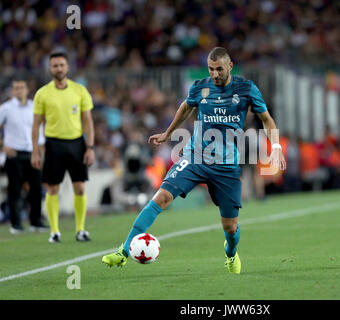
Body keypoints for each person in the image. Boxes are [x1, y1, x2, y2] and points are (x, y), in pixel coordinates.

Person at [102, 47, 286, 273]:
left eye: (219, 69)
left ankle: (230, 253)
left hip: (226, 167)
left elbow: (266, 119)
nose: (215, 74)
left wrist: (275, 147)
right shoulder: (200, 87)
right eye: (211, 69)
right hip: (195, 157)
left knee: (230, 227)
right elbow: (185, 107)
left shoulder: (246, 89)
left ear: (230, 66)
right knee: (162, 197)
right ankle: (123, 252)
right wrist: (168, 133)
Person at [31, 52, 95, 243]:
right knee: (52, 188)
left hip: (77, 143)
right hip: (53, 144)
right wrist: (35, 150)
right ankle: (54, 231)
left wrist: (90, 147)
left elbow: (88, 121)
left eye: (61, 65)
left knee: (80, 187)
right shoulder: (42, 93)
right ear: (50, 69)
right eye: (55, 66)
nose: (58, 68)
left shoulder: (79, 90)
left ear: (67, 67)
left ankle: (81, 229)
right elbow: (36, 124)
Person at [0, 79, 47, 234]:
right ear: (13, 91)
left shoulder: (34, 107)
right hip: (14, 153)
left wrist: (40, 147)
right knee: (15, 190)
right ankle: (16, 224)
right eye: (16, 88)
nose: (19, 90)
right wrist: (3, 146)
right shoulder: (6, 108)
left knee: (36, 189)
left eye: (21, 87)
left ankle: (36, 221)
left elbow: (38, 128)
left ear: (27, 90)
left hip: (32, 152)